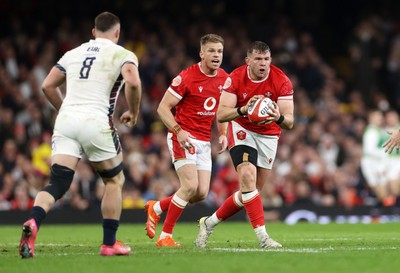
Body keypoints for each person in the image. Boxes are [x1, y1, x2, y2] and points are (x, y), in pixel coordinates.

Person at [18, 11, 142, 258]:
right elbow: (134, 81)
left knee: (58, 183)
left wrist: (65, 110)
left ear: (93, 32)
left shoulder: (72, 53)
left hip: (65, 121)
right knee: (114, 181)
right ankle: (109, 244)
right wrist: (134, 112)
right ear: (117, 33)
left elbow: (47, 85)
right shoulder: (123, 54)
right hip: (96, 121)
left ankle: (33, 221)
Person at [195, 41, 294, 249]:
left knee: (252, 192)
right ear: (248, 61)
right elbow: (221, 114)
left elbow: (290, 122)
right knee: (247, 176)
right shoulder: (235, 78)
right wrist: (243, 110)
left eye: (266, 59)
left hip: (269, 136)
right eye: (258, 59)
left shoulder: (282, 80)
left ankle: (208, 222)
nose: (263, 63)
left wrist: (278, 117)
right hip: (242, 130)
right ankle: (264, 238)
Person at [144, 34, 228, 247]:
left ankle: (157, 208)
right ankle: (166, 237)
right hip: (182, 137)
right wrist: (178, 131)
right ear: (201, 54)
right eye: (211, 51)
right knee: (189, 185)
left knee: (200, 193)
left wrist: (224, 133)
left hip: (204, 141)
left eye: (219, 51)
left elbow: (222, 111)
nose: (216, 55)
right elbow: (162, 108)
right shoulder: (187, 77)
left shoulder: (224, 79)